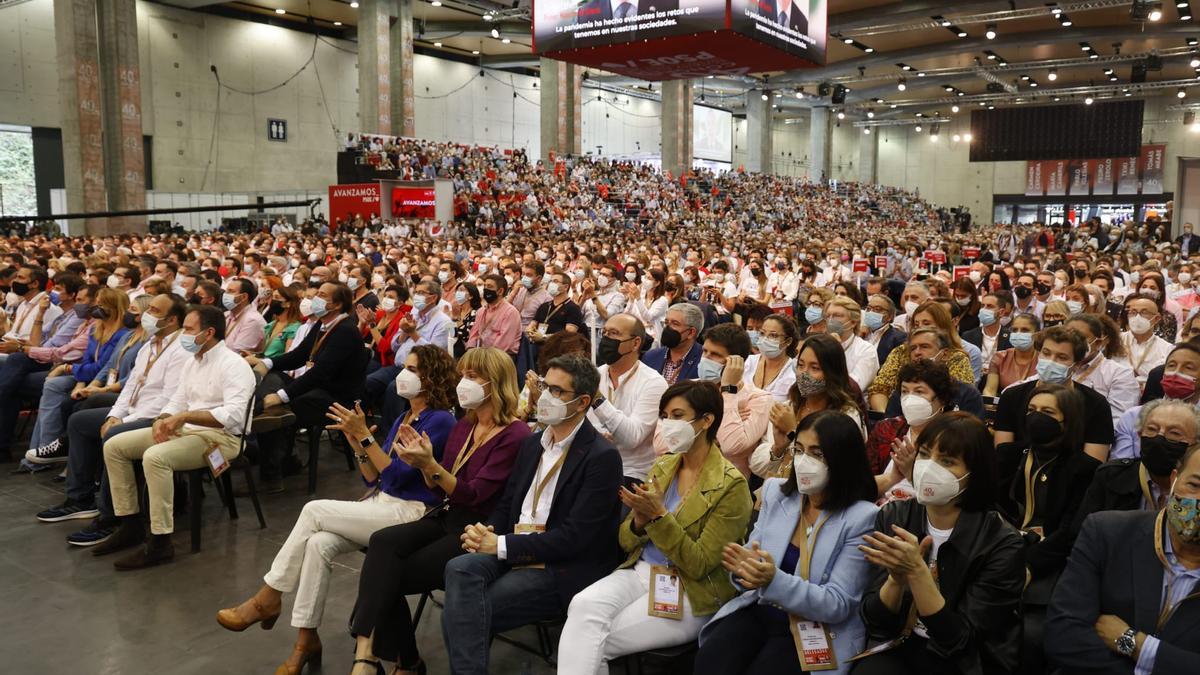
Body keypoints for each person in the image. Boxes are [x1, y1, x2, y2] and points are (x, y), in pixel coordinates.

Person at [215, 345, 458, 675]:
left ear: (432, 377)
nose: (404, 375)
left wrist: (366, 439)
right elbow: (372, 476)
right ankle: (305, 640)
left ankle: (268, 597)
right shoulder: (405, 415)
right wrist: (358, 443)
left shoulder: (440, 419)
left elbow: (398, 476)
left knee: (314, 510)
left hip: (412, 512)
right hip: (384, 502)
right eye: (405, 367)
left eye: (413, 369)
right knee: (318, 543)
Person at [347, 347, 530, 675]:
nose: (463, 383)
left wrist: (428, 464)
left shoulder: (515, 434)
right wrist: (421, 463)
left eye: (472, 377)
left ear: (495, 383)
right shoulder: (465, 424)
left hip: (479, 529)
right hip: (447, 515)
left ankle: (395, 661)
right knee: (382, 544)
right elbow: (438, 486)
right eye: (462, 375)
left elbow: (474, 494)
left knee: (386, 576)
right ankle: (371, 652)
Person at [441, 355, 624, 675]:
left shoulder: (602, 457)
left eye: (556, 391)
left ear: (582, 402)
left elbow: (575, 538)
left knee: (464, 612)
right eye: (543, 385)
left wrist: (499, 545)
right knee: (459, 569)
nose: (543, 395)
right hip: (515, 543)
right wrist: (486, 530)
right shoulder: (533, 443)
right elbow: (509, 501)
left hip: (558, 564)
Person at [558, 380, 752, 674]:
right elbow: (626, 540)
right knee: (583, 606)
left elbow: (699, 565)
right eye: (664, 416)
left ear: (706, 420)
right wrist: (639, 521)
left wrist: (660, 517)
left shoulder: (731, 485)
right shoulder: (665, 465)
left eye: (677, 416)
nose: (667, 424)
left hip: (692, 590)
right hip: (643, 570)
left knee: (592, 638)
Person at [696, 410, 877, 675]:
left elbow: (837, 603)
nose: (804, 462)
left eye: (817, 454)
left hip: (816, 626)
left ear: (842, 461)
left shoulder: (862, 517)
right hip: (761, 609)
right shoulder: (777, 493)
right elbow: (754, 557)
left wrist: (772, 580)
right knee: (711, 660)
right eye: (800, 450)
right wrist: (743, 569)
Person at [853, 413, 1024, 675]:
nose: (928, 467)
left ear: (974, 473)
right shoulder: (895, 516)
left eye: (946, 461)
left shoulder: (1001, 543)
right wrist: (896, 581)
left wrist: (918, 573)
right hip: (901, 643)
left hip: (963, 660)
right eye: (923, 454)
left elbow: (960, 640)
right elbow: (877, 621)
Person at [100, 305, 256, 570]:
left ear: (209, 333)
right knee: (115, 446)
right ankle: (130, 524)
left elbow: (234, 416)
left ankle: (161, 542)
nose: (183, 334)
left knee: (155, 457)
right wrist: (164, 418)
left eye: (189, 329)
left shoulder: (234, 365)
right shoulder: (192, 362)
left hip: (222, 439)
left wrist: (183, 417)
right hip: (188, 431)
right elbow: (177, 399)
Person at [34, 294, 186, 530]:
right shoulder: (150, 345)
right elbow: (131, 387)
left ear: (172, 320)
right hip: (134, 410)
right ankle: (80, 499)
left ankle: (111, 515)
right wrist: (114, 415)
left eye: (154, 310)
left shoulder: (180, 350)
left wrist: (123, 420)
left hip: (157, 417)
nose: (145, 315)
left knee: (114, 436)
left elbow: (167, 400)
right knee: (78, 421)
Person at [1045, 444, 1200, 672]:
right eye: (1194, 485)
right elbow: (1063, 635)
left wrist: (1134, 644)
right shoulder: (1107, 533)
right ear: (1174, 480)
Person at [995, 383, 1102, 673]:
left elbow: (1071, 532)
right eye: (1031, 411)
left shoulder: (1085, 469)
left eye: (1047, 412)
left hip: (1050, 560)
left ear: (1068, 422)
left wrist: (1030, 565)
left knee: (1032, 635)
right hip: (1001, 548)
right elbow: (989, 506)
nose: (1036, 417)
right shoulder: (1008, 455)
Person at [244, 281, 365, 492]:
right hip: (317, 390)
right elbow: (300, 355)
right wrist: (267, 363)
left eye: (321, 295)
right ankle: (285, 457)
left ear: (336, 305)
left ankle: (272, 476)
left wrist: (282, 396)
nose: (314, 299)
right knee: (272, 379)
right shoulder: (324, 323)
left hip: (336, 399)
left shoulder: (345, 330)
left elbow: (320, 373)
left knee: (276, 407)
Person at [751, 334, 867, 480]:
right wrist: (778, 448)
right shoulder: (788, 408)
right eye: (800, 365)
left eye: (815, 368)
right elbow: (756, 465)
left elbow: (836, 469)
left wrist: (793, 432)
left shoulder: (847, 416)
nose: (804, 374)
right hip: (781, 490)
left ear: (833, 373)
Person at [992, 326, 1114, 463]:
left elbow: (1093, 463)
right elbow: (1003, 453)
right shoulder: (1012, 396)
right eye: (1046, 353)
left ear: (1076, 364)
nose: (1051, 361)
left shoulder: (1095, 403)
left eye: (1062, 357)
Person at [589, 313, 670, 486]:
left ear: (635, 343)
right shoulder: (596, 374)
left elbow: (632, 437)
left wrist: (597, 399)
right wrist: (597, 435)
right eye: (604, 333)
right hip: (589, 462)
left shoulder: (653, 383)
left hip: (629, 472)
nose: (606, 339)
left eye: (614, 333)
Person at [870, 360, 957, 503]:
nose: (910, 399)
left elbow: (951, 499)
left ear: (941, 398)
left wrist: (911, 474)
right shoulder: (886, 429)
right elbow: (863, 486)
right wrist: (891, 479)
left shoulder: (956, 437)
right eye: (905, 391)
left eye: (919, 392)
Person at [694, 323, 773, 478]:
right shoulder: (687, 387)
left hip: (727, 485)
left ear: (735, 362)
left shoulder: (758, 399)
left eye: (715, 354)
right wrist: (717, 429)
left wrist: (728, 390)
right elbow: (664, 444)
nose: (706, 358)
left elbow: (731, 446)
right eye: (704, 351)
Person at [868, 302, 974, 412]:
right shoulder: (901, 351)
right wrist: (891, 420)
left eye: (926, 323)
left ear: (943, 327)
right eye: (916, 324)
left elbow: (958, 398)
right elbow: (879, 389)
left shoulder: (956, 357)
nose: (919, 328)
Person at [1113, 342, 1200, 460]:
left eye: (1188, 368)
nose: (1176, 372)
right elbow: (1120, 468)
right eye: (1171, 365)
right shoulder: (1133, 417)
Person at [1066, 313, 1140, 425]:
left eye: (1081, 337)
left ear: (1098, 342)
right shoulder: (1054, 366)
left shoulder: (1120, 374)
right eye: (1067, 335)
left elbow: (1117, 422)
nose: (1072, 341)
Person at [1116, 293, 1173, 386]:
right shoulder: (1116, 341)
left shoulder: (1166, 349)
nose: (1137, 317)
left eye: (1144, 312)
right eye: (1133, 312)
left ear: (1157, 318)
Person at [825, 296, 880, 392]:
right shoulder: (818, 344)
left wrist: (835, 352)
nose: (831, 320)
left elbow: (854, 388)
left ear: (853, 322)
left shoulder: (866, 350)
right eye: (828, 316)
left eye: (837, 315)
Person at [641, 302, 704, 385]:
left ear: (691, 333)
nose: (667, 328)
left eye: (675, 324)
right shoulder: (650, 357)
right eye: (666, 322)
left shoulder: (704, 362)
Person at [743, 313, 800, 403]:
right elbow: (730, 391)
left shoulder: (793, 372)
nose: (765, 339)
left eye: (773, 335)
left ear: (787, 341)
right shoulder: (747, 362)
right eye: (762, 333)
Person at [982, 312, 1039, 397]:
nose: (1018, 333)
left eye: (1025, 330)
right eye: (1014, 330)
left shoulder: (1043, 360)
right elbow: (990, 390)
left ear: (1037, 333)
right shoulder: (1000, 358)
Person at [961, 291, 1013, 382]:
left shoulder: (1010, 338)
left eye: (989, 306)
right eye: (982, 306)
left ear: (1001, 312)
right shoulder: (968, 336)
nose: (984, 309)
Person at [466, 274, 522, 356]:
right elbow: (474, 334)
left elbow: (503, 343)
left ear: (500, 291)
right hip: (481, 354)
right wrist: (470, 352)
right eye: (485, 286)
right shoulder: (481, 311)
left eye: (489, 286)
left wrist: (483, 357)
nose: (485, 289)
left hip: (502, 357)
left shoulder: (510, 312)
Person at [221, 276, 268, 354]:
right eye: (226, 291)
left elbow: (237, 353)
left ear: (244, 297)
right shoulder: (226, 315)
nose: (225, 295)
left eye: (231, 291)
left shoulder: (252, 320)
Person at [260, 284, 302, 359]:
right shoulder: (272, 324)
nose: (272, 300)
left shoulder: (294, 328)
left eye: (277, 297)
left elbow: (287, 358)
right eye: (272, 297)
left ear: (288, 304)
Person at [864, 294, 907, 367]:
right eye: (868, 308)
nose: (871, 312)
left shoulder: (898, 338)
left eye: (877, 309)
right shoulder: (860, 333)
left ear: (890, 316)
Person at [451, 282, 481, 359]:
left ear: (470, 296)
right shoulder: (456, 310)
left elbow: (466, 335)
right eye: (457, 290)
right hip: (451, 350)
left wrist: (457, 318)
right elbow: (450, 331)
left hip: (466, 354)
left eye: (461, 290)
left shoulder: (476, 313)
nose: (458, 293)